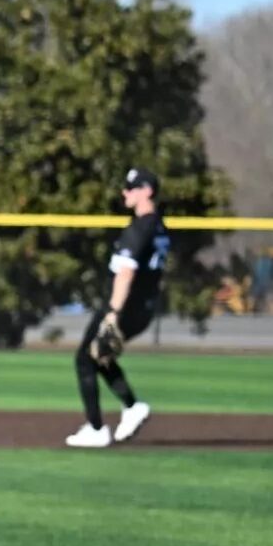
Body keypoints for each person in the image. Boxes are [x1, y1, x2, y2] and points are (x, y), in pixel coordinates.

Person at [66, 167, 169, 448]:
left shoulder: (141, 227)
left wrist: (112, 312)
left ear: (147, 191)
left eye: (132, 188)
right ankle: (132, 407)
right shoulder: (158, 225)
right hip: (143, 307)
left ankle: (96, 428)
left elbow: (126, 273)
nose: (125, 192)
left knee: (84, 359)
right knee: (100, 356)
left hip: (124, 305)